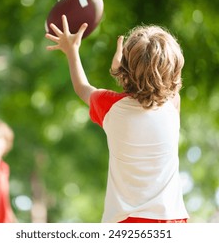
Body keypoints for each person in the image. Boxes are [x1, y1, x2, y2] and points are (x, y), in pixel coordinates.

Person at [45, 15, 189, 223]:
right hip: (171, 220)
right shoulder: (172, 106)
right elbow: (164, 89)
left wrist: (72, 51)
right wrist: (122, 70)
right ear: (174, 71)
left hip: (124, 223)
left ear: (124, 68)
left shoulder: (111, 107)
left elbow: (82, 88)